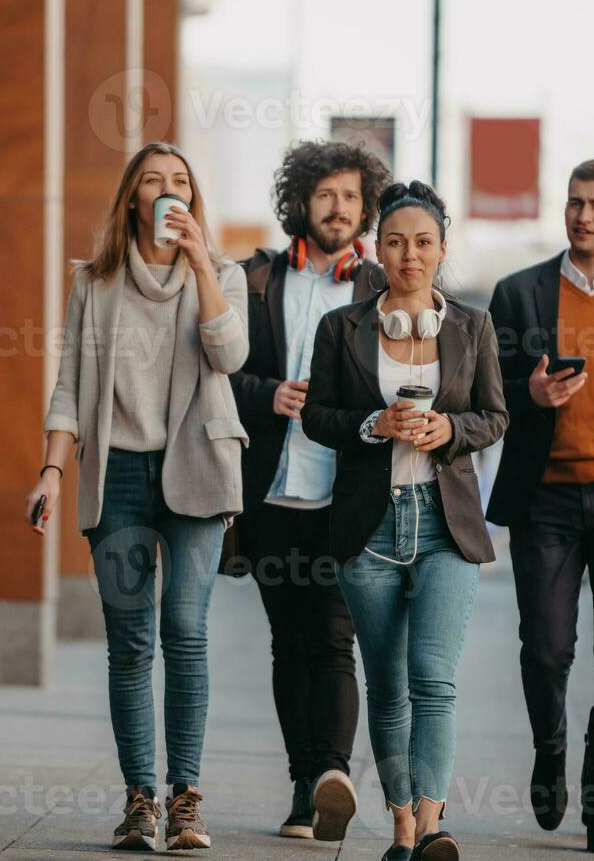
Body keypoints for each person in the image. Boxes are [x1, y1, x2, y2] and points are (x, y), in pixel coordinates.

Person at [26, 141, 250, 852]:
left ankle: (186, 798)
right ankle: (140, 801)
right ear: (132, 198)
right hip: (118, 474)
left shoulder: (225, 276)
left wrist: (200, 264)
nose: (166, 190)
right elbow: (68, 386)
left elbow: (230, 356)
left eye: (180, 181)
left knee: (186, 632)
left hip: (198, 468)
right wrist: (53, 470)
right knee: (130, 643)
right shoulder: (93, 283)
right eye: (153, 181)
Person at [301, 180, 508, 861]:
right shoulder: (342, 328)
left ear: (442, 249)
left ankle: (433, 824)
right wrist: (373, 423)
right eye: (395, 242)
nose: (409, 255)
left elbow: (495, 417)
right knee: (387, 687)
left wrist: (449, 427)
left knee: (433, 680)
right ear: (377, 249)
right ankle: (400, 827)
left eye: (423, 242)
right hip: (370, 529)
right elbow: (316, 416)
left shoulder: (473, 327)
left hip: (446, 525)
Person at [486, 159, 594, 854]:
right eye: (573, 203)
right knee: (548, 648)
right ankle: (550, 749)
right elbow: (487, 389)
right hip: (546, 498)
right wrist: (527, 395)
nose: (582, 216)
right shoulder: (519, 293)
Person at [229, 140, 390, 842]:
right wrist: (268, 395)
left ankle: (333, 774)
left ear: (366, 207)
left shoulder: (381, 287)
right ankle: (305, 788)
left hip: (343, 496)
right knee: (285, 644)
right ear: (301, 202)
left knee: (331, 637)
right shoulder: (255, 279)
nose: (338, 208)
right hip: (269, 495)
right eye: (325, 195)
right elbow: (217, 373)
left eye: (351, 196)